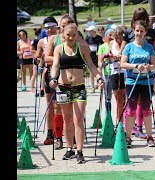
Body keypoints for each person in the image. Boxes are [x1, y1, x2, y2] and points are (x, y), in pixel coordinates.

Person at [50, 22, 104, 164]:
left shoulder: (83, 47)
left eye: (74, 35)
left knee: (78, 119)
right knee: (67, 120)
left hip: (79, 87)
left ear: (77, 34)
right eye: (68, 35)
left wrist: (99, 77)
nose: (71, 38)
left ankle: (79, 151)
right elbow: (55, 66)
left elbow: (91, 66)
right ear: (63, 34)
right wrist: (53, 78)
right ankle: (69, 149)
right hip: (63, 87)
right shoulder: (59, 49)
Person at [121, 7, 155, 138]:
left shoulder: (149, 47)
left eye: (141, 31)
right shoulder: (128, 47)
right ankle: (128, 137)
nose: (139, 33)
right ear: (133, 31)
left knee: (146, 110)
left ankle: (150, 137)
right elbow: (122, 64)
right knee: (130, 109)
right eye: (137, 31)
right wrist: (135, 65)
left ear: (145, 32)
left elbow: (154, 66)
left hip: (146, 81)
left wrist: (149, 68)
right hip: (132, 81)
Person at [44, 15, 76, 149]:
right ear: (59, 27)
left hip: (72, 77)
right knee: (57, 107)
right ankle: (58, 138)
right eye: (63, 25)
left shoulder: (76, 38)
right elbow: (46, 57)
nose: (65, 27)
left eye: (68, 24)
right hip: (56, 77)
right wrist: (60, 58)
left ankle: (72, 136)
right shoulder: (53, 39)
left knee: (73, 109)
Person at [109, 26, 126, 124]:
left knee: (125, 99)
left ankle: (126, 121)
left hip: (125, 72)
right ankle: (119, 122)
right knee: (118, 100)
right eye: (116, 38)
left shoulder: (126, 44)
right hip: (114, 72)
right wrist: (113, 56)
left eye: (119, 38)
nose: (117, 40)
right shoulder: (111, 43)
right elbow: (109, 55)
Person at [85, 25, 104, 93]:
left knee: (99, 70)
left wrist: (100, 52)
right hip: (90, 56)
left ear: (93, 31)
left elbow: (102, 45)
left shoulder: (99, 38)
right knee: (91, 71)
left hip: (97, 55)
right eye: (88, 31)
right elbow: (85, 46)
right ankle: (92, 86)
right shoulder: (87, 38)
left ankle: (98, 84)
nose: (89, 32)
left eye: (90, 31)